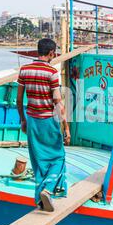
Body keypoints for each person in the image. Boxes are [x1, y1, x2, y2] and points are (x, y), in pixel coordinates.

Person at [17, 38, 71, 212]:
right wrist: (66, 127)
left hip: (32, 120)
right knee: (58, 157)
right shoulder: (51, 72)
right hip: (48, 120)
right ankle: (48, 189)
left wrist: (23, 120)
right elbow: (57, 102)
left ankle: (41, 200)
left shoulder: (24, 70)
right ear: (51, 53)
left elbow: (19, 99)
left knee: (38, 160)